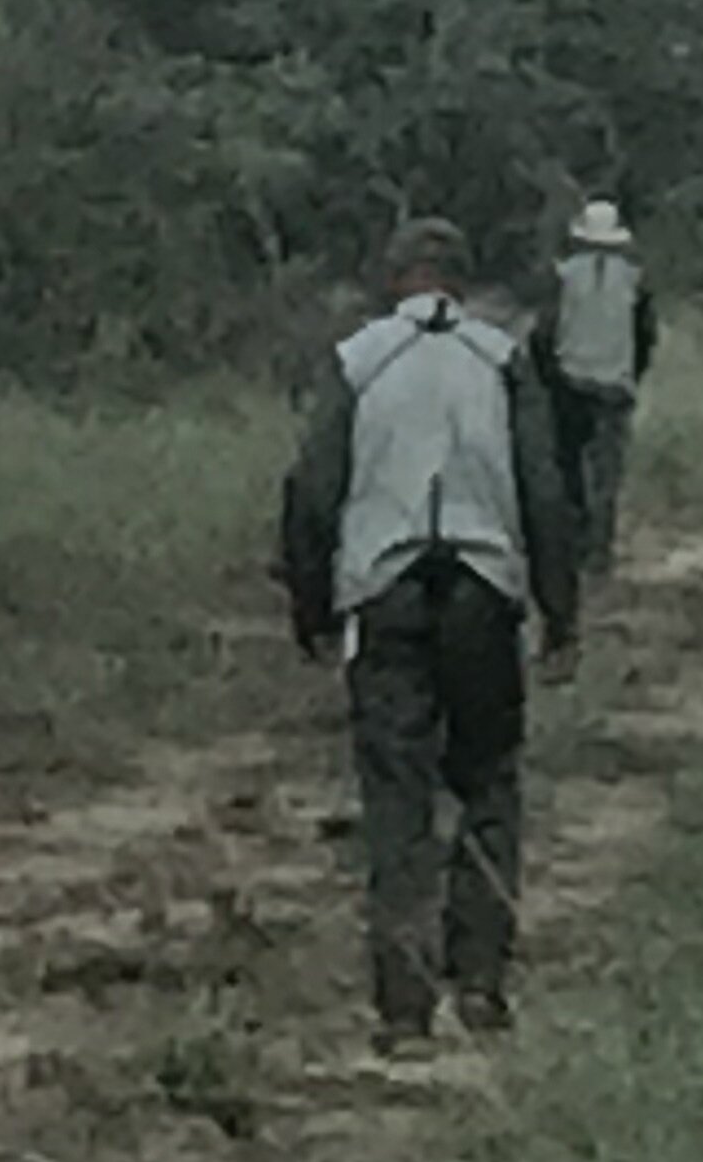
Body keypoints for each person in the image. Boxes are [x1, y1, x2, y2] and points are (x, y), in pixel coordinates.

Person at [278, 217, 582, 1057]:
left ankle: (404, 1007)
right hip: (485, 597)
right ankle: (481, 982)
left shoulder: (359, 360)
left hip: (386, 594)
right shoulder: (503, 359)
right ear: (462, 281)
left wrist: (310, 605)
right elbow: (546, 490)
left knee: (397, 798)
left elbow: (312, 489)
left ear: (394, 279)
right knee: (487, 783)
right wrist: (561, 610)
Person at [532, 197, 657, 576]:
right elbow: (646, 336)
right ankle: (599, 552)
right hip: (615, 388)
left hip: (570, 382)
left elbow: (543, 333)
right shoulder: (637, 282)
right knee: (606, 473)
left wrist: (546, 374)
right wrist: (632, 374)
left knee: (569, 465)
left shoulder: (563, 276)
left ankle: (571, 542)